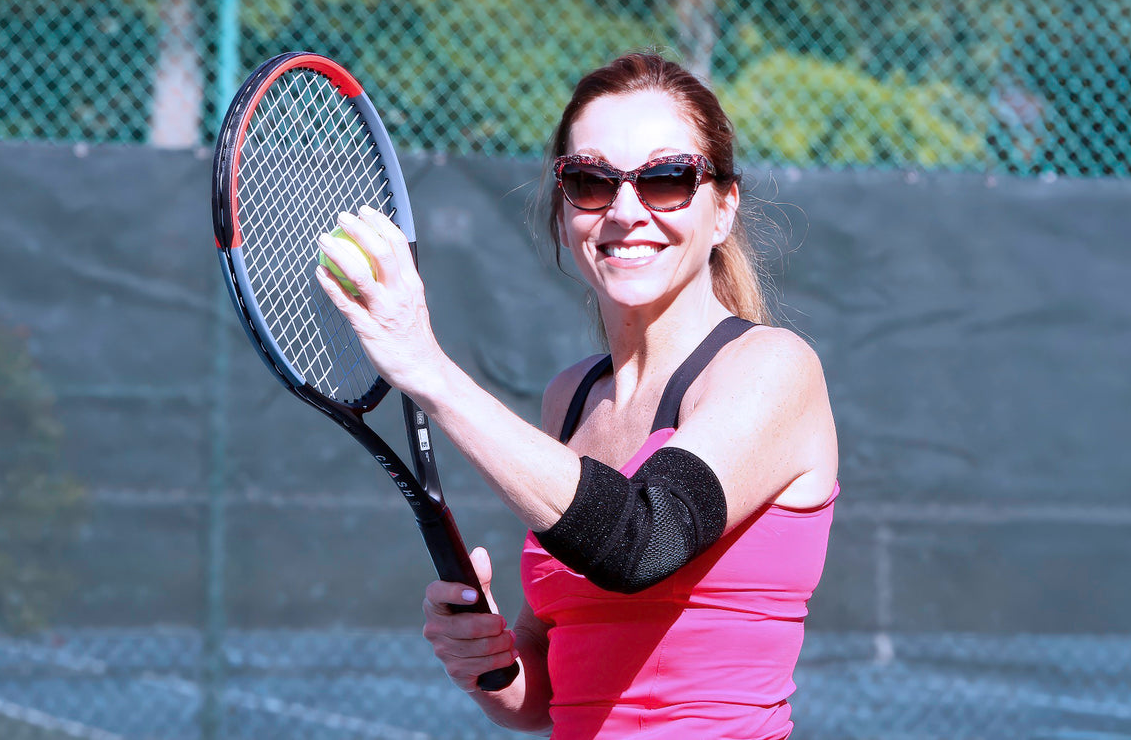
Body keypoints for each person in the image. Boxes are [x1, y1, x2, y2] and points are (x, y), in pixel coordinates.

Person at [313, 51, 840, 739]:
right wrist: (492, 662)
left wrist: (428, 368)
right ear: (565, 214)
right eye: (590, 181)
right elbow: (552, 695)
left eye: (666, 179)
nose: (625, 211)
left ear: (722, 209)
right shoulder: (573, 399)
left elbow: (639, 542)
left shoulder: (771, 367)